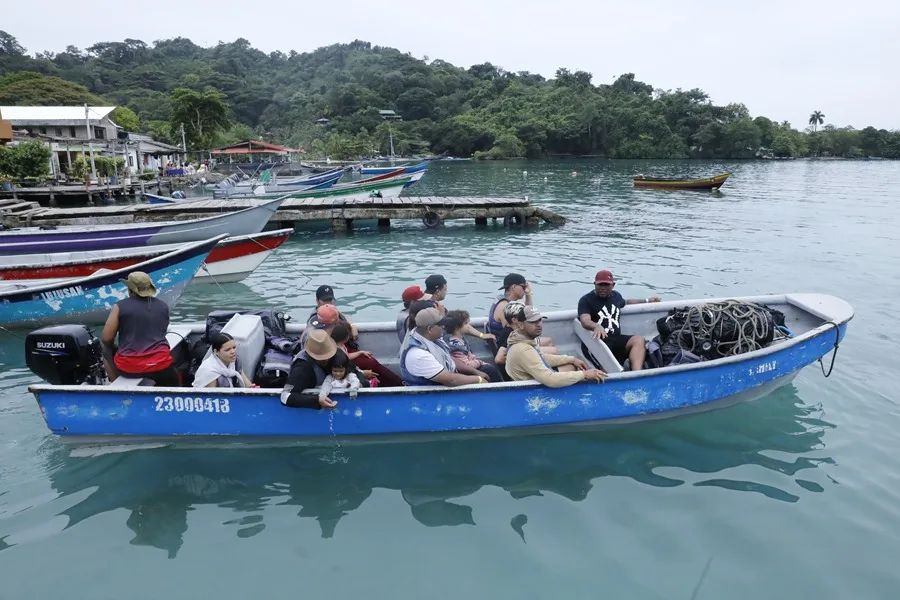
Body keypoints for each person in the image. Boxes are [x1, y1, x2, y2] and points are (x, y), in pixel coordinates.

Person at [101, 271, 179, 387]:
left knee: (105, 349)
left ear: (130, 290)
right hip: (161, 365)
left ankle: (116, 386)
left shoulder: (119, 306)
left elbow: (107, 338)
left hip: (130, 368)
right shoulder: (163, 305)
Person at [577, 270, 662, 371]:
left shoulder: (616, 296)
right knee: (607, 370)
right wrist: (596, 326)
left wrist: (647, 300)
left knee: (639, 340)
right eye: (600, 285)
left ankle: (636, 374)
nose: (603, 288)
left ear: (613, 285)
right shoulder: (586, 300)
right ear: (594, 284)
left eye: (606, 285)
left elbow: (626, 302)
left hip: (615, 339)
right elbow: (585, 320)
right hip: (595, 342)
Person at [504, 303, 606, 387]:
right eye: (533, 322)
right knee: (575, 374)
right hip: (531, 392)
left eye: (539, 320)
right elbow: (550, 380)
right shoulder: (523, 350)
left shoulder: (522, 339)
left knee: (570, 365)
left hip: (533, 379)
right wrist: (584, 374)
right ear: (521, 325)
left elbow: (540, 357)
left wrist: (571, 359)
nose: (538, 325)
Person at [400, 307, 489, 387]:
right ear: (430, 329)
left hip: (448, 378)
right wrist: (479, 380)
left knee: (487, 370)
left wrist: (476, 372)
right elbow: (451, 380)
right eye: (441, 325)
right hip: (432, 395)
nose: (444, 327)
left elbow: (449, 358)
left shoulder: (431, 338)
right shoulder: (418, 355)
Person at [281, 329, 368, 409]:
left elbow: (356, 371)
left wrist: (359, 384)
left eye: (327, 355)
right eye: (321, 357)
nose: (326, 359)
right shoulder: (301, 369)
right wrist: (316, 400)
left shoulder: (337, 355)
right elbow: (285, 397)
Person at [488, 273, 559, 354]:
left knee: (548, 341)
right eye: (523, 287)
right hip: (508, 348)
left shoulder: (504, 301)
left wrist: (528, 294)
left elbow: (529, 313)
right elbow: (516, 331)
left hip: (507, 343)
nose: (525, 290)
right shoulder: (505, 307)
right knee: (552, 348)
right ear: (514, 287)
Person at [331, 321, 403, 387]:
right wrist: (361, 373)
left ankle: (397, 382)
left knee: (372, 362)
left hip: (351, 366)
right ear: (346, 338)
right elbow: (347, 361)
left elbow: (348, 356)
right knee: (371, 363)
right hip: (349, 371)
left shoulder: (342, 346)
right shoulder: (339, 351)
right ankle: (398, 383)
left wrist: (360, 352)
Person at [444, 310, 503, 383]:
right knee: (490, 370)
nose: (468, 326)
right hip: (464, 371)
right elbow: (466, 364)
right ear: (457, 327)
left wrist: (482, 335)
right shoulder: (455, 345)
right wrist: (480, 362)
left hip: (471, 364)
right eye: (466, 323)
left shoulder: (461, 338)